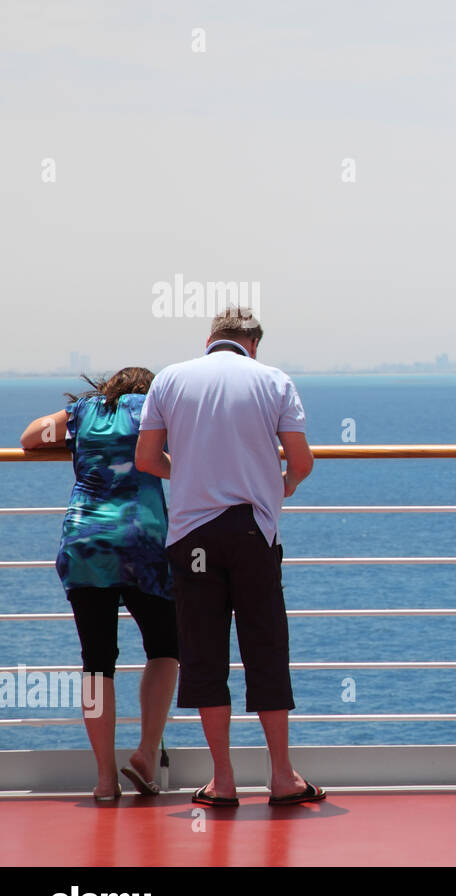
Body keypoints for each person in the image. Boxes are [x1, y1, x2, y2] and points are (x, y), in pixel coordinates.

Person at [135, 307, 323, 807]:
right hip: (253, 530)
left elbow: (147, 459)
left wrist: (195, 473)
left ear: (210, 339)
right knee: (266, 647)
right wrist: (281, 484)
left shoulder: (171, 379)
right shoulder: (273, 380)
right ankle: (282, 776)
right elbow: (301, 460)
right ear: (253, 344)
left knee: (203, 653)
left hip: (193, 533)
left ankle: (223, 780)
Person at [21, 369, 180, 801]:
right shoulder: (152, 411)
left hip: (85, 543)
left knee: (96, 664)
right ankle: (146, 753)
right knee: (166, 648)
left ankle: (105, 779)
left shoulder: (83, 412)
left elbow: (30, 437)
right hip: (141, 544)